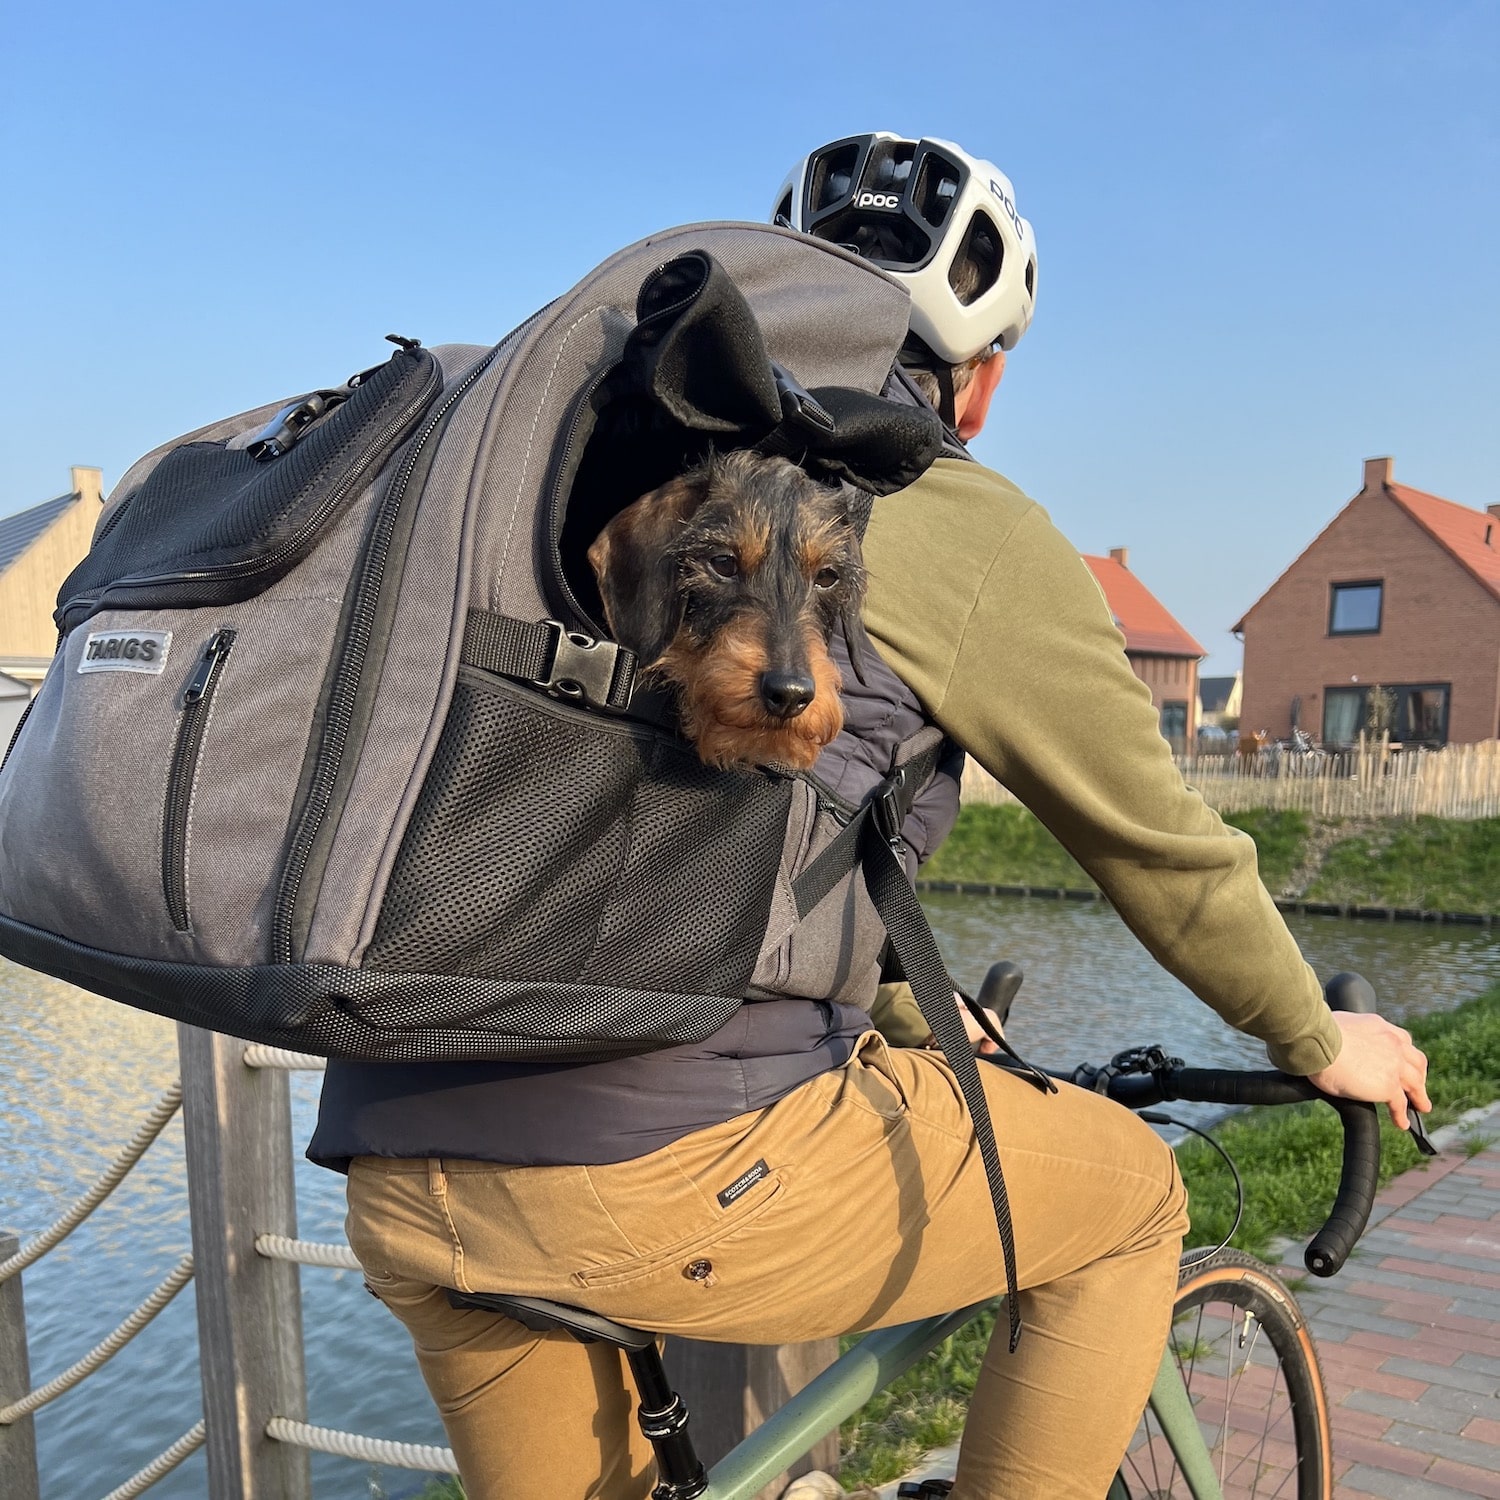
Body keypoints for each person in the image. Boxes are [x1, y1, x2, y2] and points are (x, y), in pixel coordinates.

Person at [312, 133, 1430, 1500]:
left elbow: (716, 842)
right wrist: (1317, 1036)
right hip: (662, 1163)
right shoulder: (934, 512)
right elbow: (1158, 841)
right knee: (1132, 1199)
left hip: (399, 1149)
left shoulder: (611, 485)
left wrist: (907, 1007)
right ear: (983, 376)